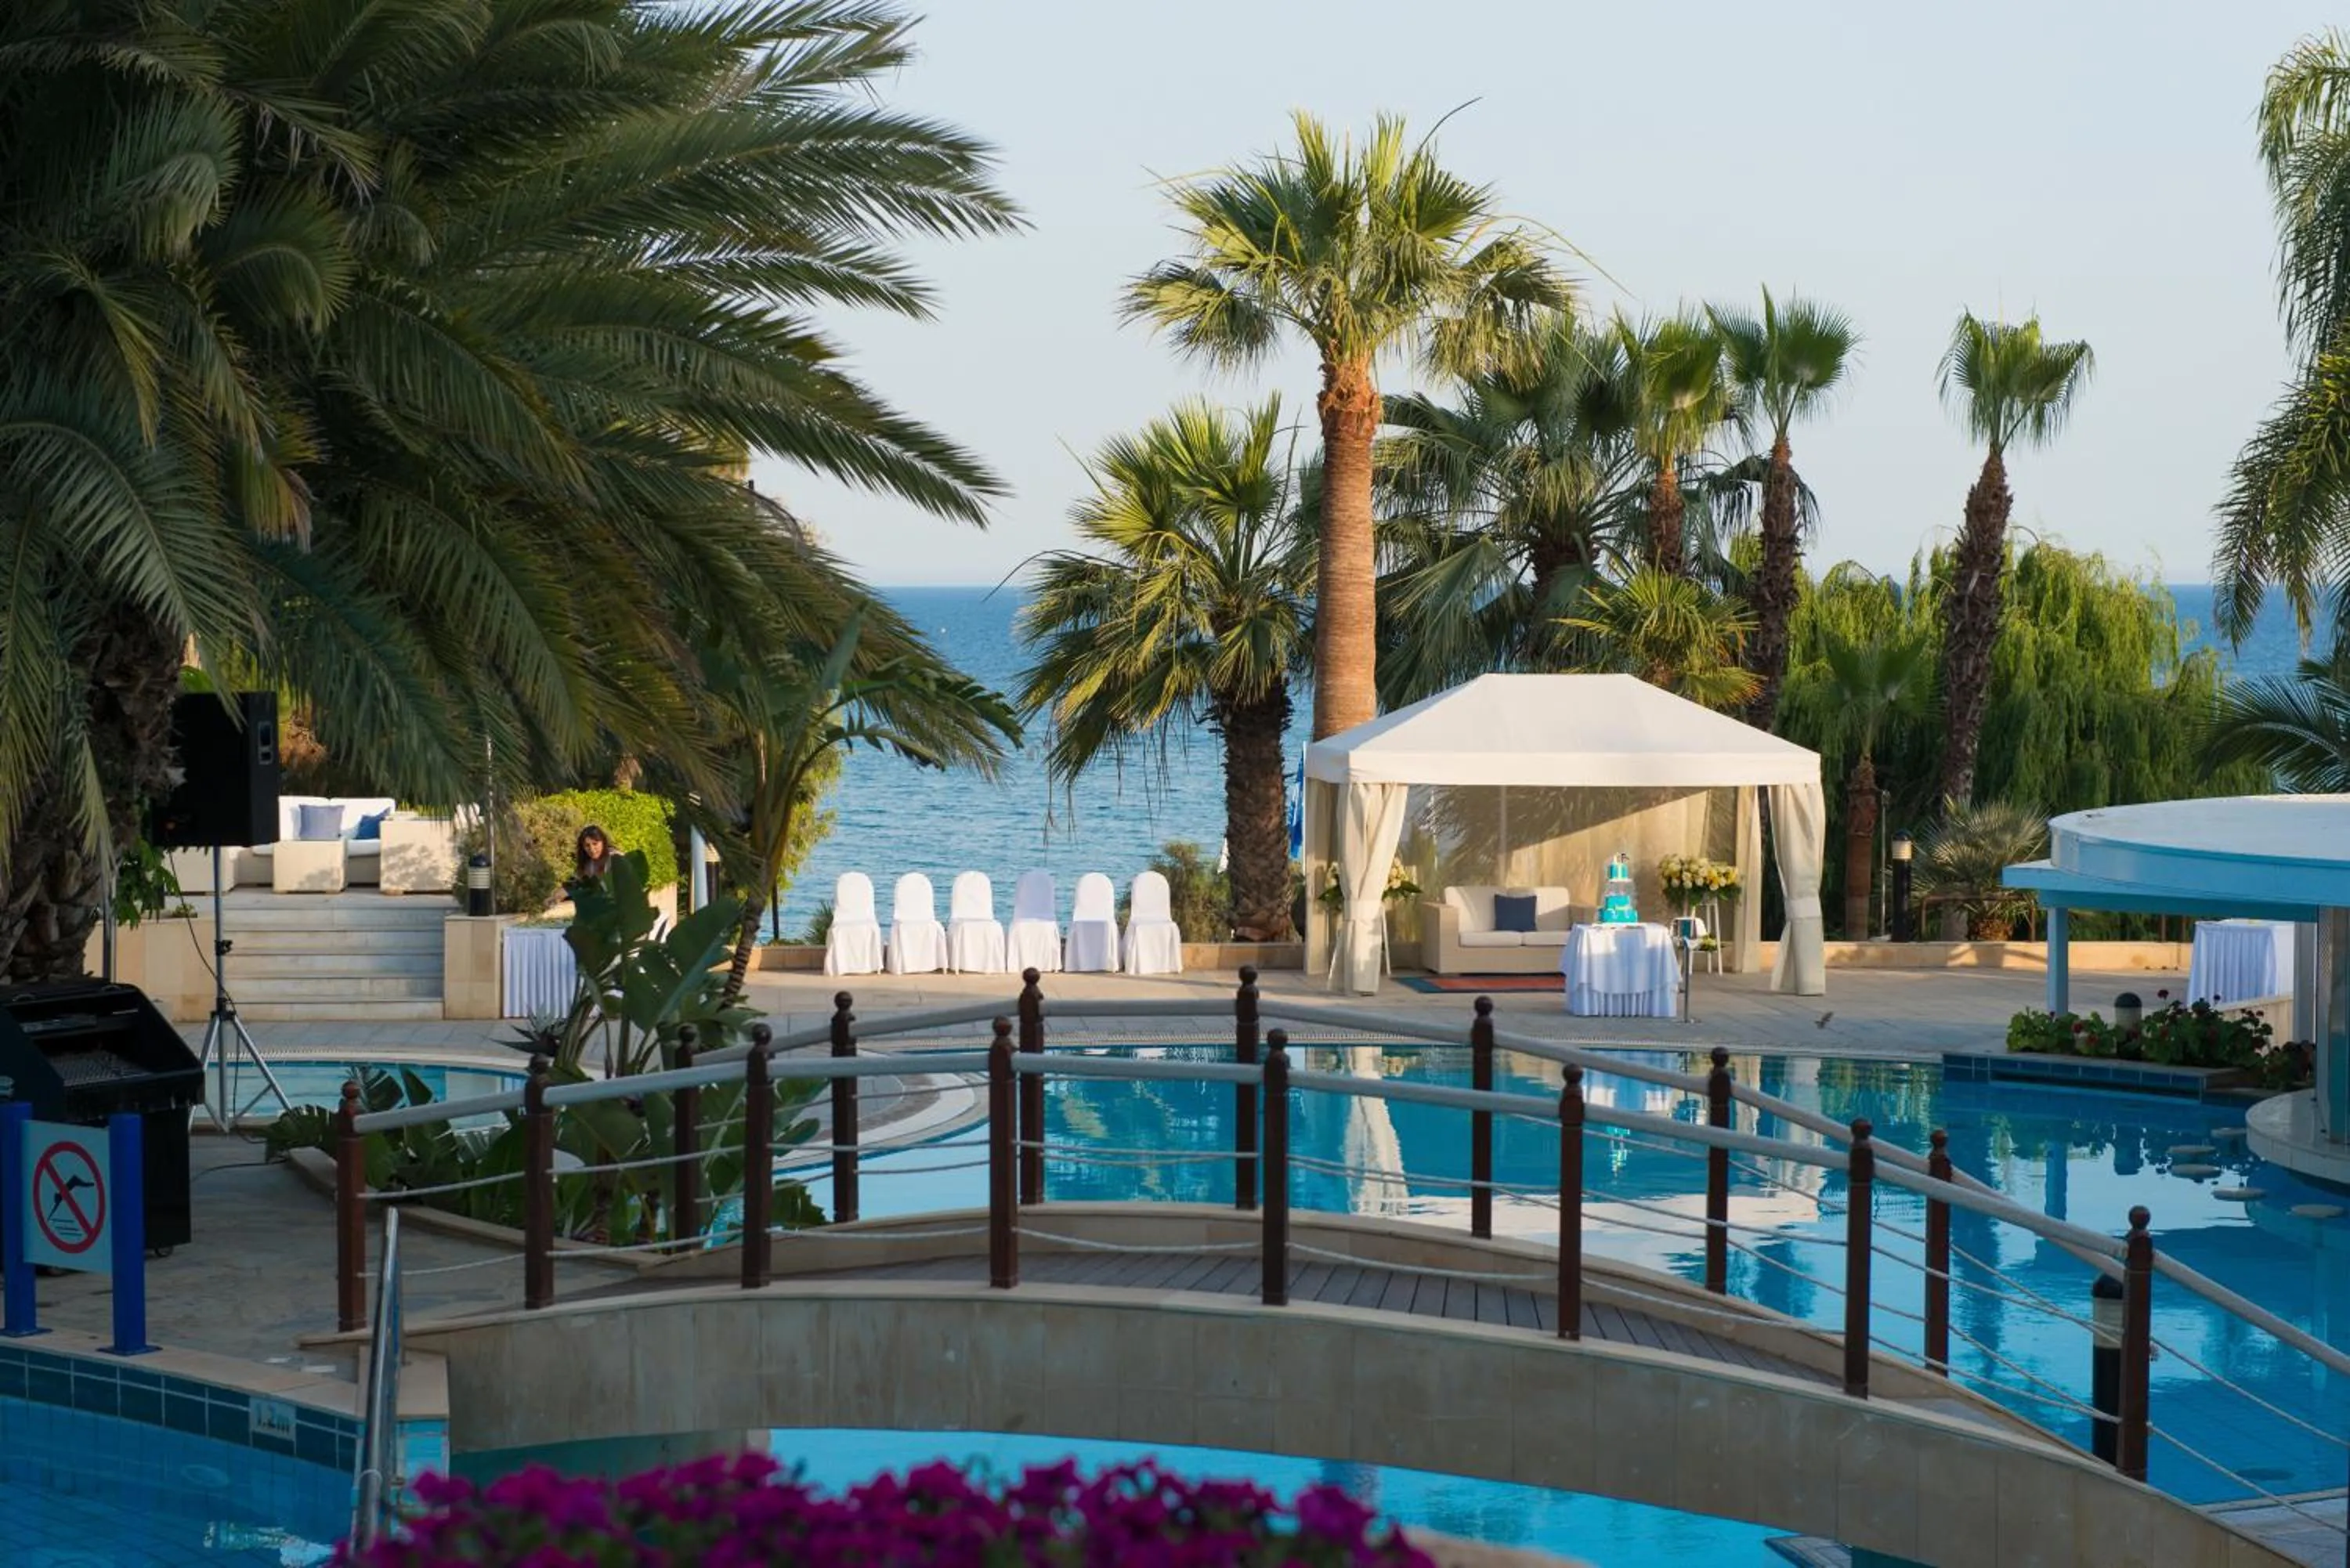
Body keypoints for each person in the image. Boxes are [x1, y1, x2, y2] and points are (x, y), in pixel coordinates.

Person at [573, 824, 616, 888]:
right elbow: (575, 882)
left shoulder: (615, 859)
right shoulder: (588, 865)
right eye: (587, 846)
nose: (592, 849)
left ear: (603, 842)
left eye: (595, 844)